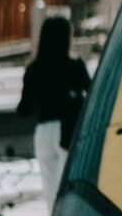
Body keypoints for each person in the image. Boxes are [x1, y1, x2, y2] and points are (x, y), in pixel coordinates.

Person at [21, 13, 91, 203]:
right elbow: (91, 94)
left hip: (43, 131)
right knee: (66, 187)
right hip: (68, 129)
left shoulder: (34, 69)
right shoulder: (75, 66)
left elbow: (24, 109)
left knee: (49, 187)